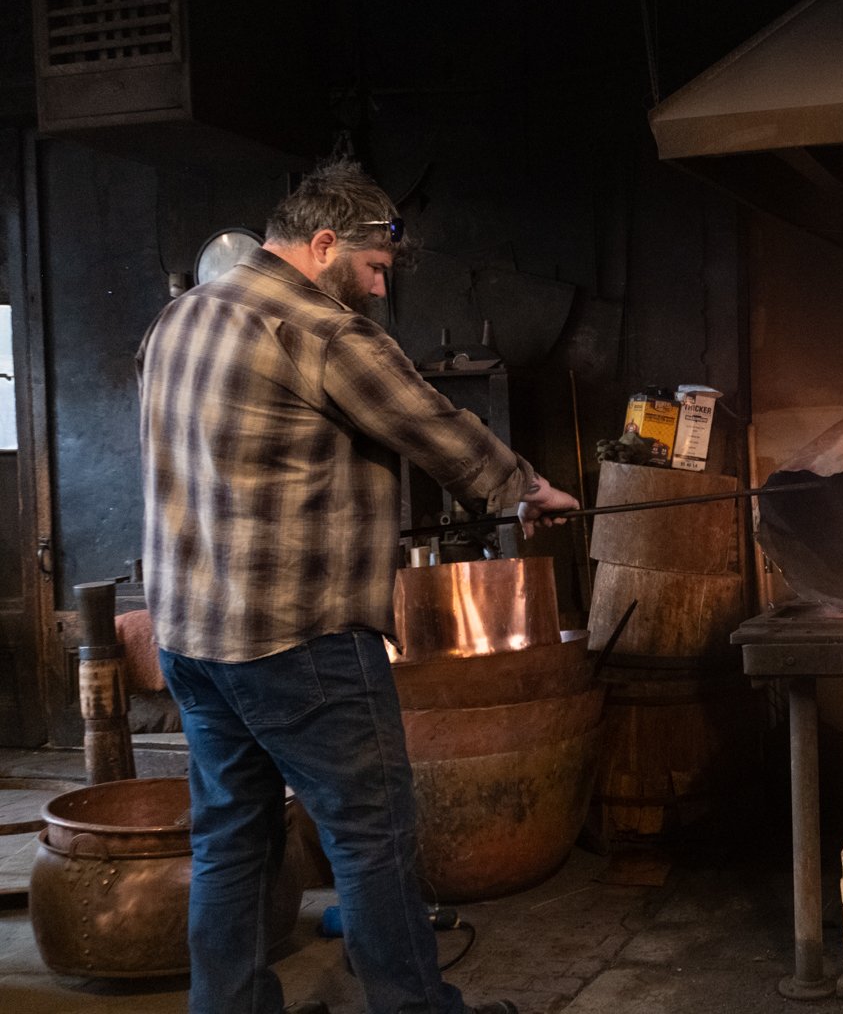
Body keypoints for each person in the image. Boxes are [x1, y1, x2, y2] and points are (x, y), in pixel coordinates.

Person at [137, 159, 577, 1014]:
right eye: (374, 268)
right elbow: (430, 424)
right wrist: (526, 490)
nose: (377, 289)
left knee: (231, 837)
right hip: (298, 639)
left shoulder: (179, 318)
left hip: (191, 634)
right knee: (372, 838)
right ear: (326, 243)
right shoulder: (321, 329)